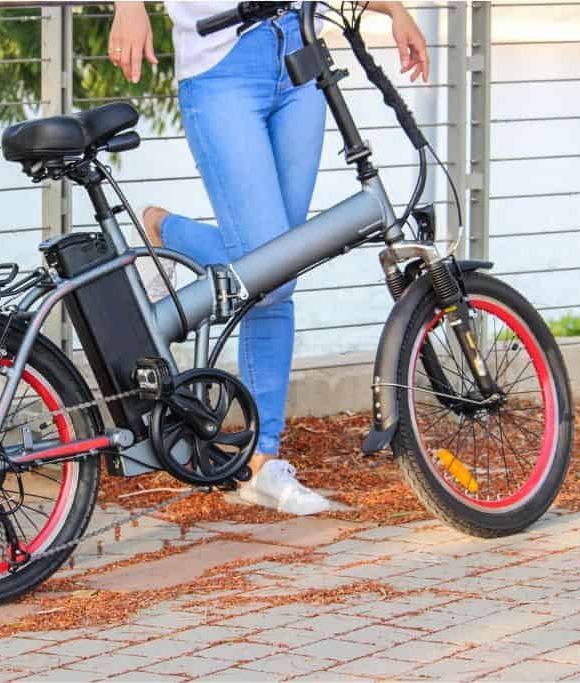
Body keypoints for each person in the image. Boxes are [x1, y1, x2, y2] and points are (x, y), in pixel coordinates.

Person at [108, 1, 429, 515]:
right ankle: (164, 231)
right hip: (221, 63)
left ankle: (264, 462)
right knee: (274, 269)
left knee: (278, 269)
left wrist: (394, 10)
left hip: (299, 48)